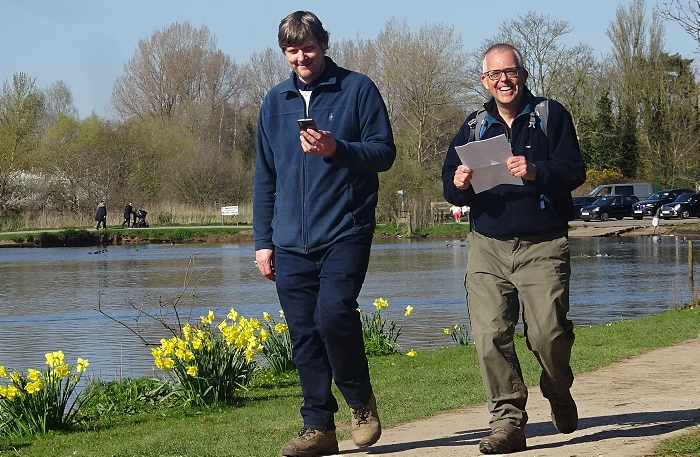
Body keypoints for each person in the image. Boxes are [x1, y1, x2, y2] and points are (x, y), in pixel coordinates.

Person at [253, 11, 396, 457]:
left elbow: (384, 153)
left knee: (333, 314)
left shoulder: (358, 89)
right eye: (292, 50)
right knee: (303, 333)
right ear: (284, 53)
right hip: (289, 240)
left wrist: (337, 149)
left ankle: (359, 402)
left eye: (309, 48)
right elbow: (264, 176)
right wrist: (263, 241)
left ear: (324, 45)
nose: (302, 57)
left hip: (345, 230)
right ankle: (318, 427)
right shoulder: (275, 102)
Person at [442, 43, 586, 454]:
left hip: (543, 244)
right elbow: (449, 185)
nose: (503, 80)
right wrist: (461, 184)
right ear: (484, 81)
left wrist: (537, 170)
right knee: (490, 336)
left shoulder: (549, 115)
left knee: (548, 335)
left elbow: (575, 168)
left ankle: (557, 389)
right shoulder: (473, 125)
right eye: (494, 75)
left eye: (510, 72)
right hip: (487, 245)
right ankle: (507, 422)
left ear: (522, 75)